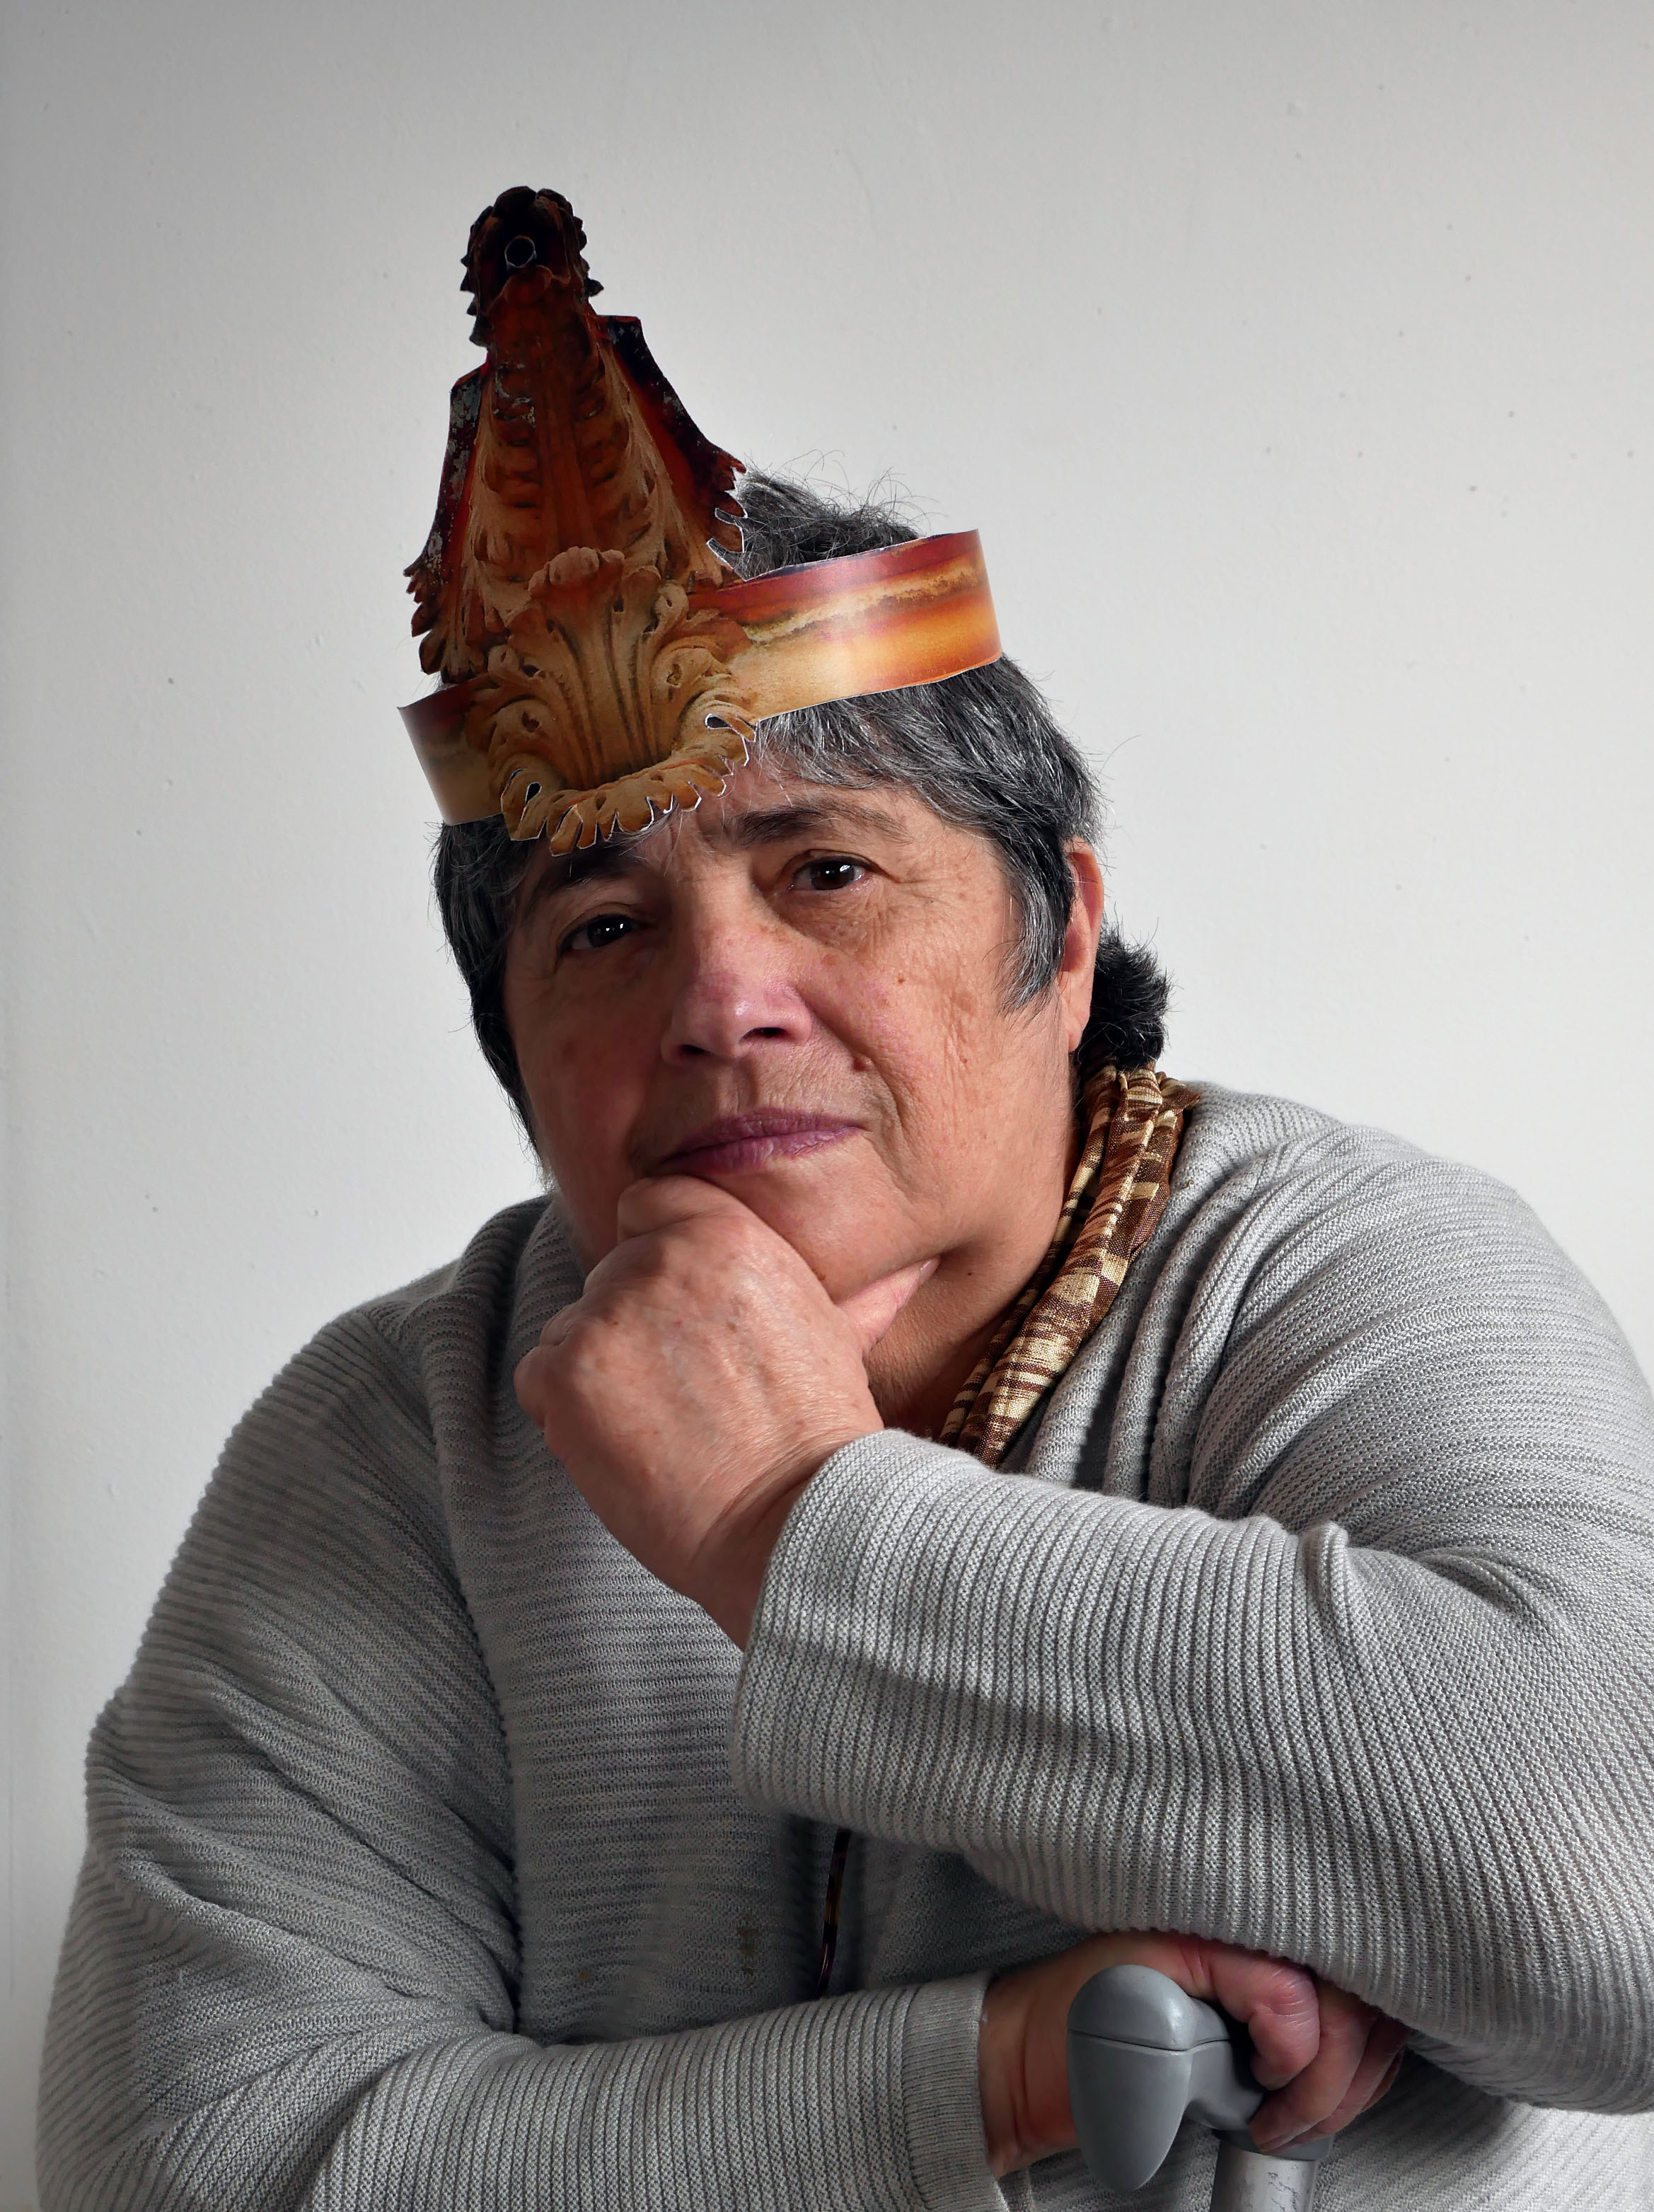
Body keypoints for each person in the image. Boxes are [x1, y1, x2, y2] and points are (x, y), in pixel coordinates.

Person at [37, 195, 1654, 2211]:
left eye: (826, 874)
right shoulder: (391, 1443)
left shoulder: (1338, 1274)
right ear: (510, 1045)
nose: (719, 1001)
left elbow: (1621, 1898)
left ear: (1058, 928)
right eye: (603, 925)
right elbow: (187, 2168)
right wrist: (987, 2073)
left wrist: (788, 1530)